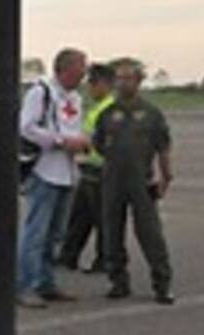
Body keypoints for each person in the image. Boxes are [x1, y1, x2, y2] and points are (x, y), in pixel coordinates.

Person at [93, 59, 175, 304]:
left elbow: (164, 147)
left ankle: (162, 284)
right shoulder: (107, 114)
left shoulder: (151, 114)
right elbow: (99, 145)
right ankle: (118, 281)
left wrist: (166, 177)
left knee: (150, 234)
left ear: (138, 81)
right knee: (111, 232)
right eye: (118, 78)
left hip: (142, 181)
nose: (122, 83)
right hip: (112, 181)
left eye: (128, 78)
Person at [15, 48, 91, 309]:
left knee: (55, 234)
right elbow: (25, 127)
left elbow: (73, 127)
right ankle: (23, 286)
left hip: (67, 173)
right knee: (35, 233)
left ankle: (45, 283)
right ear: (66, 68)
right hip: (44, 171)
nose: (84, 72)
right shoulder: (40, 92)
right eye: (81, 66)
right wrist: (60, 141)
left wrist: (82, 142)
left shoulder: (75, 98)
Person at [57, 62, 115, 272]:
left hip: (101, 169)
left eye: (92, 83)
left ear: (105, 84)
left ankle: (105, 260)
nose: (89, 88)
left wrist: (84, 147)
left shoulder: (109, 110)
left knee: (102, 218)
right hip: (88, 168)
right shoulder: (98, 108)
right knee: (80, 216)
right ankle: (68, 255)